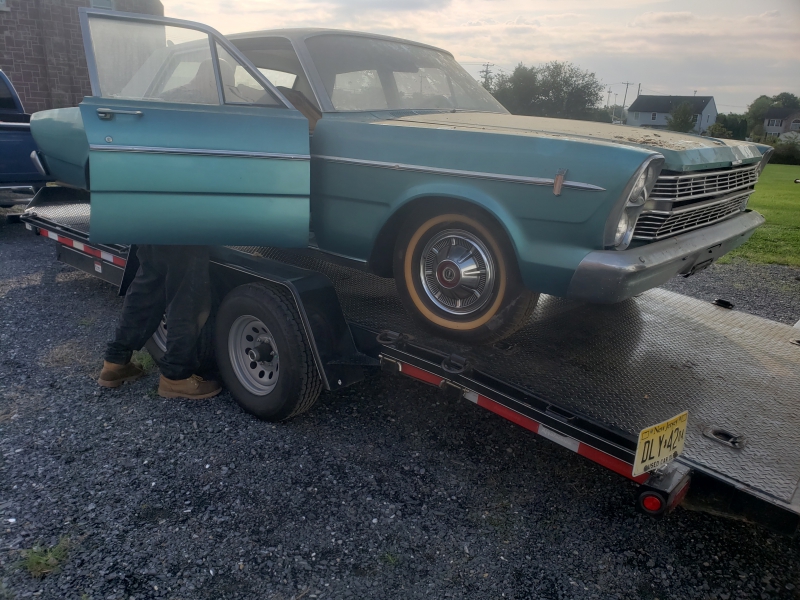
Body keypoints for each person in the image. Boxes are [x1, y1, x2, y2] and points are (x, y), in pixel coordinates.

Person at [97, 245, 221, 400]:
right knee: (186, 298)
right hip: (184, 228)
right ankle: (176, 376)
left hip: (152, 224)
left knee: (147, 287)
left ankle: (114, 362)